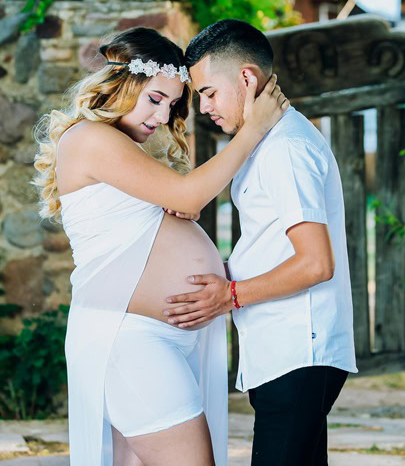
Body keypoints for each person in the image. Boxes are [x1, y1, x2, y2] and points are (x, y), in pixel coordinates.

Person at [32, 27, 289, 466]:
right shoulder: (91, 138)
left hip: (156, 339)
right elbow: (190, 195)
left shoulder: (128, 148)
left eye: (171, 104)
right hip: (131, 340)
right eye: (154, 98)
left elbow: (175, 208)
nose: (161, 115)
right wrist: (254, 130)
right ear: (122, 84)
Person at [165, 19, 358, 465]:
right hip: (282, 349)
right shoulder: (268, 142)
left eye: (210, 92)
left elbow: (315, 264)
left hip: (298, 351)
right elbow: (271, 245)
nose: (205, 107)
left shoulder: (287, 148)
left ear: (247, 78)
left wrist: (228, 296)